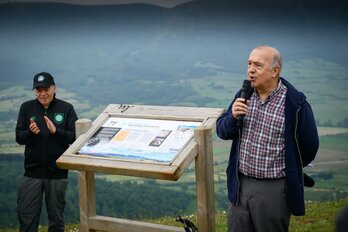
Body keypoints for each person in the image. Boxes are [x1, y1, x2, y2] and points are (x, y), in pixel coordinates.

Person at [216, 46, 319, 232]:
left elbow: (309, 147)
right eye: (249, 64)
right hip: (240, 184)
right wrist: (231, 118)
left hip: (274, 189)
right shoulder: (243, 96)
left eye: (258, 65)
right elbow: (222, 131)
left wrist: (291, 166)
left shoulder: (295, 104)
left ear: (275, 71)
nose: (251, 70)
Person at [16, 72, 78, 232]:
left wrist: (56, 131)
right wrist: (30, 132)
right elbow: (19, 137)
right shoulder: (26, 107)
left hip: (57, 174)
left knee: (56, 221)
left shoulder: (66, 108)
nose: (42, 93)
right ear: (35, 91)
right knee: (27, 220)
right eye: (38, 90)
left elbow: (75, 137)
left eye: (46, 89)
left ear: (54, 88)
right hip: (31, 173)